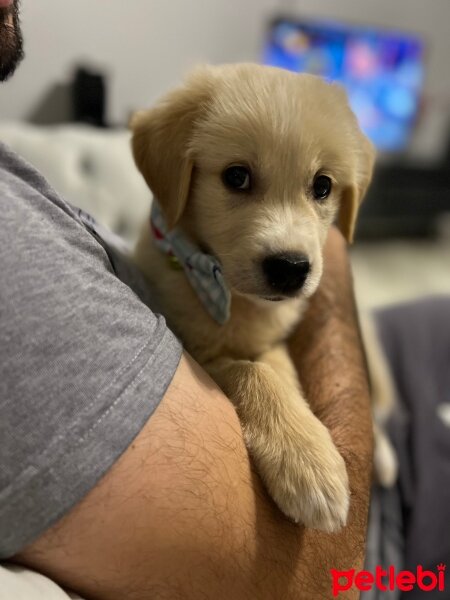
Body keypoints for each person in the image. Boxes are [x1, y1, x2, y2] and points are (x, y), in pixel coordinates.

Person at [0, 2, 373, 598]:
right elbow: (326, 573)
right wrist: (271, 389)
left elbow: (265, 340)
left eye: (320, 189)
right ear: (175, 171)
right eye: (238, 179)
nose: (290, 236)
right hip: (375, 545)